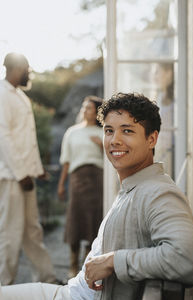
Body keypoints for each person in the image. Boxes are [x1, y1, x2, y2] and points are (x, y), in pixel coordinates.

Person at [1, 92, 193, 300]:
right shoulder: (135, 186)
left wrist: (113, 260)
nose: (115, 140)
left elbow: (188, 259)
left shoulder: (159, 192)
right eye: (109, 131)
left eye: (127, 131)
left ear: (152, 139)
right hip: (71, 291)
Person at [0, 52, 59, 285]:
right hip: (12, 177)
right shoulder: (2, 95)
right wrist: (22, 173)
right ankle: (3, 285)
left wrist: (36, 169)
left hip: (25, 176)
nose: (30, 72)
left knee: (32, 231)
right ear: (16, 68)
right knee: (11, 232)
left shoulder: (20, 97)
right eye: (27, 68)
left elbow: (26, 139)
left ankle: (47, 279)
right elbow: (3, 137)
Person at [57, 95, 103, 279]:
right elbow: (66, 162)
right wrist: (61, 185)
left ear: (97, 111)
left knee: (93, 222)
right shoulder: (72, 132)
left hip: (97, 180)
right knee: (75, 220)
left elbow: (111, 158)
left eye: (90, 107)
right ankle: (72, 264)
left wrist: (102, 145)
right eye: (84, 107)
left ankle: (86, 265)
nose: (85, 110)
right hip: (77, 178)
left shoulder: (103, 132)